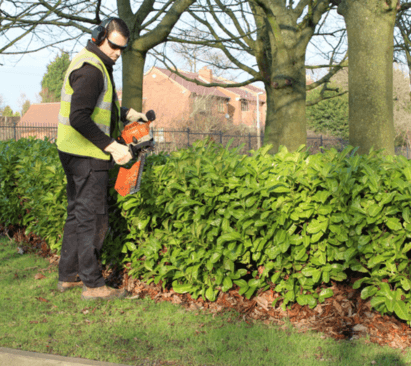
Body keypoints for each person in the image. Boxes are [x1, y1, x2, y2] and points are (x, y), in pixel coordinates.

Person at [55, 17, 147, 300]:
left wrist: (128, 113)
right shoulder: (92, 70)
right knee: (93, 219)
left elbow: (98, 106)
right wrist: (112, 147)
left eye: (122, 49)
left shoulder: (93, 63)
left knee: (77, 215)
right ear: (98, 37)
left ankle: (68, 276)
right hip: (86, 155)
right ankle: (93, 285)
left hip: (72, 151)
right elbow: (79, 117)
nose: (118, 53)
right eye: (114, 47)